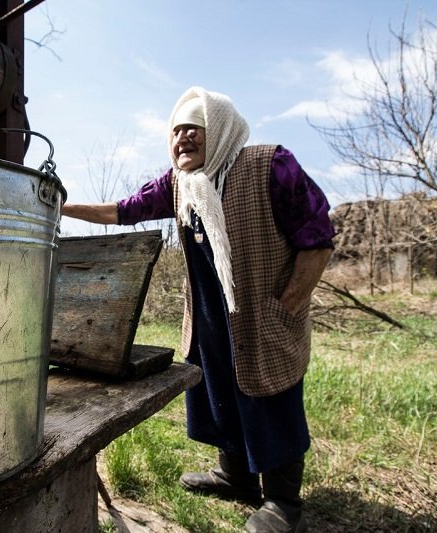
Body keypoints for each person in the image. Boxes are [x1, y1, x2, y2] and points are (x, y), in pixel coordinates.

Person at [62, 87, 335, 533]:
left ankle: (284, 504)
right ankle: (236, 477)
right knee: (221, 393)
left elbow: (317, 237)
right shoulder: (178, 184)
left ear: (223, 128)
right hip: (212, 318)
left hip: (262, 314)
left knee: (271, 397)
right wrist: (58, 204)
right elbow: (123, 211)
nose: (182, 137)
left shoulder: (270, 165)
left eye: (194, 127)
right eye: (175, 130)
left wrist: (288, 304)